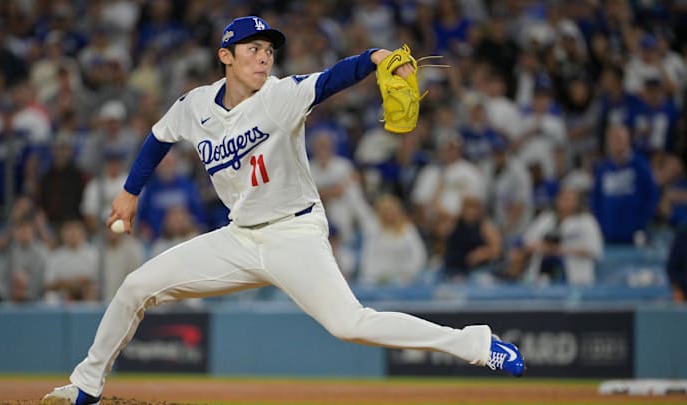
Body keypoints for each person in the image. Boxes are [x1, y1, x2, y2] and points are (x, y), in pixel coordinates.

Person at [42, 16, 524, 404]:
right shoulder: (194, 105)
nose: (264, 56)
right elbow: (158, 137)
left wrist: (377, 57)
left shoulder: (282, 95)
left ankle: (478, 344)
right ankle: (86, 385)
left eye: (269, 50)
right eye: (253, 48)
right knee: (135, 287)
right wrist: (130, 192)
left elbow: (336, 77)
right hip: (239, 237)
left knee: (348, 324)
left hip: (295, 235)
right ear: (225, 57)